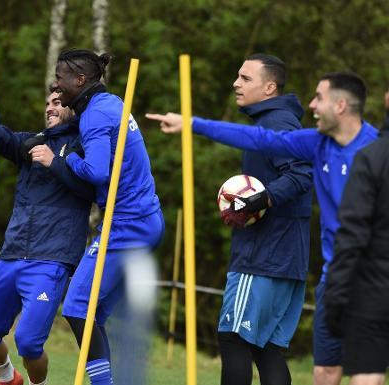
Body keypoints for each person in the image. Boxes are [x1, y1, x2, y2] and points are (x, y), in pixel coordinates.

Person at [146, 71, 378, 385]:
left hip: (373, 276)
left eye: (318, 98)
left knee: (365, 374)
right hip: (333, 275)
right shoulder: (317, 143)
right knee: (324, 372)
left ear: (340, 106)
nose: (310, 105)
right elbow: (260, 139)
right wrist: (192, 125)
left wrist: (266, 198)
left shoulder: (378, 150)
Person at [150, 54, 314, 385]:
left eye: (245, 78)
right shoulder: (278, 121)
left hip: (263, 257)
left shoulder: (276, 124)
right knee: (265, 349)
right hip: (285, 258)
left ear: (270, 87)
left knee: (234, 338)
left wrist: (262, 198)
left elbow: (301, 173)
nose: (235, 83)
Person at [35, 48, 165, 385]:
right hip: (144, 219)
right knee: (94, 315)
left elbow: (95, 171)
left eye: (61, 78)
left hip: (127, 223)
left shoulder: (95, 115)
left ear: (80, 80)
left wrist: (61, 161)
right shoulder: (110, 104)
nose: (56, 84)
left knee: (78, 307)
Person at [0, 91, 94, 385]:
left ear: (73, 107)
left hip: (51, 261)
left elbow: (93, 188)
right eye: (47, 104)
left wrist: (54, 163)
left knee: (28, 343)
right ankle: (9, 379)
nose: (49, 108)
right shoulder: (32, 142)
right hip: (11, 254)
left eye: (57, 103)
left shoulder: (86, 144)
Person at [323, 102, 389, 385]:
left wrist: (335, 296)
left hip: (374, 290)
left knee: (367, 372)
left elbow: (351, 235)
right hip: (374, 288)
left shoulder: (372, 156)